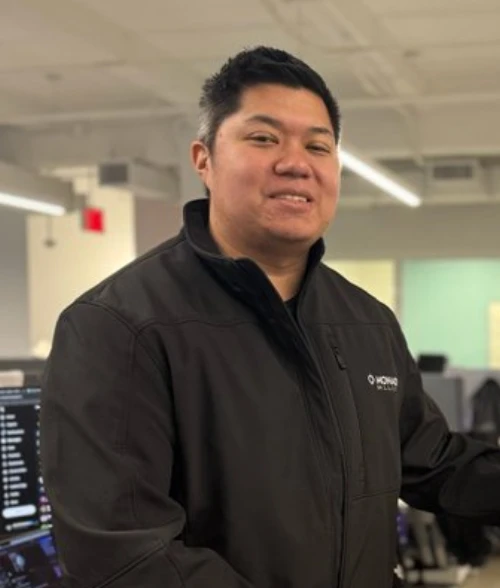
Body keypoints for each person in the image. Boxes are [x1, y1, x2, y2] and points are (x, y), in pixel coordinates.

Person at [40, 46, 500, 588]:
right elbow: (126, 556)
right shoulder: (118, 327)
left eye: (318, 145)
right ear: (204, 160)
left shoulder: (366, 322)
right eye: (263, 138)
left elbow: (433, 461)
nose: (295, 162)